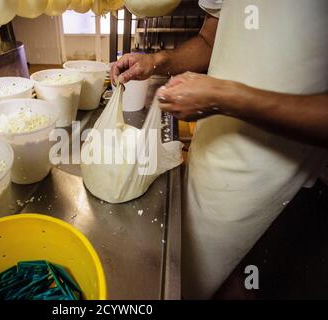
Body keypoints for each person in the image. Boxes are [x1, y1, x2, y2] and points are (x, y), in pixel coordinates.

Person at [111, 0, 327, 299]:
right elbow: (208, 40)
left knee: (253, 280)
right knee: (197, 273)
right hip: (212, 150)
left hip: (279, 181)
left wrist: (227, 97)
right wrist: (157, 61)